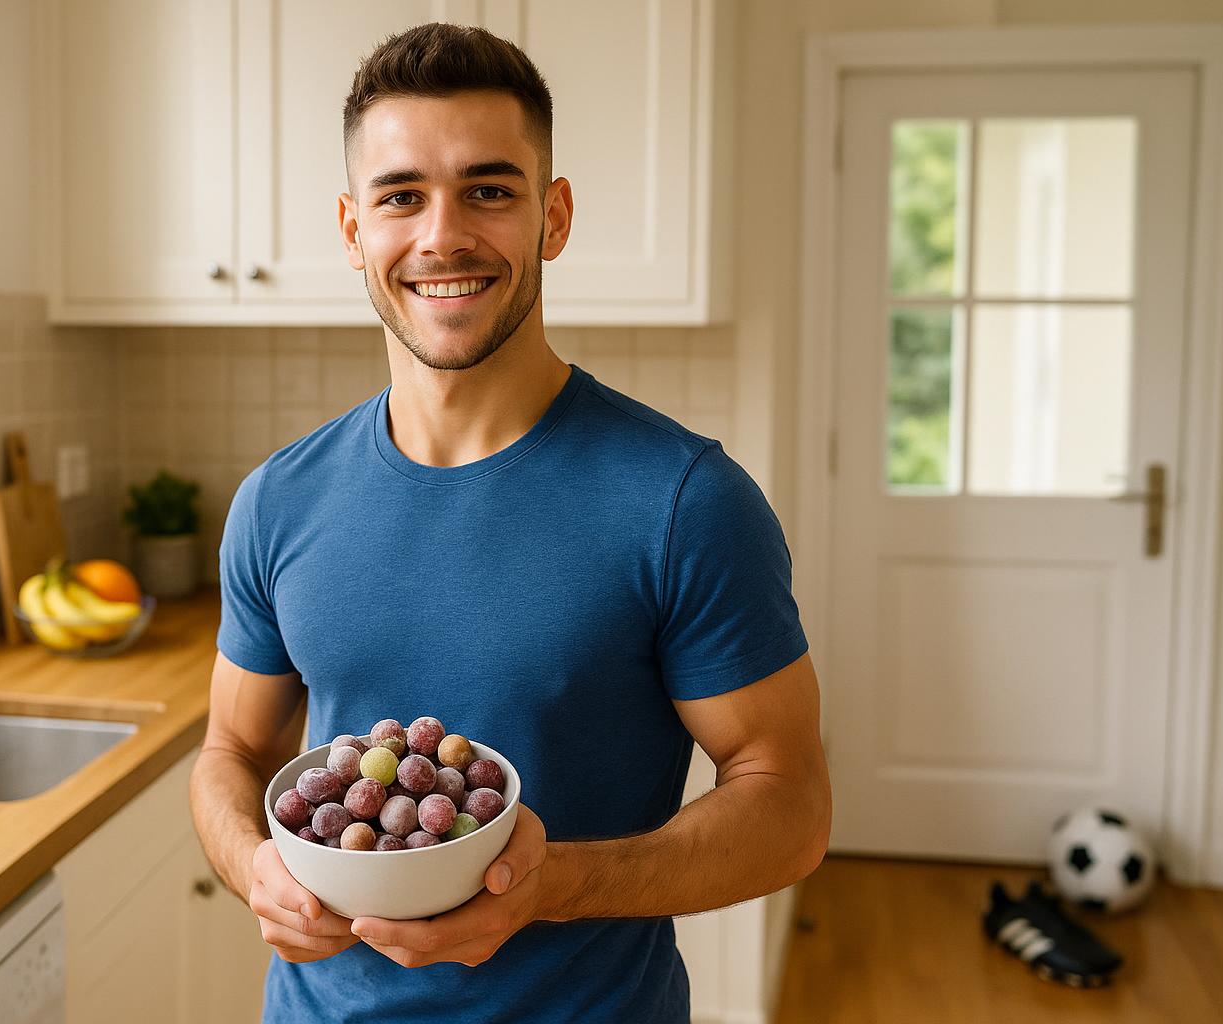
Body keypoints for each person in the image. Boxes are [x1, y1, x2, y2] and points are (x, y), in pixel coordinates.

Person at [189, 22, 831, 1023]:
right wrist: (253, 863)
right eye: (402, 196)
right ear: (355, 228)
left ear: (554, 216)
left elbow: (790, 803)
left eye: (489, 189)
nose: (442, 235)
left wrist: (554, 883)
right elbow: (229, 751)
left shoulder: (684, 502)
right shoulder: (278, 500)